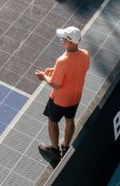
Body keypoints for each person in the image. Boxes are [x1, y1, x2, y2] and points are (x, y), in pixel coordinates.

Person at [33, 26, 90, 163]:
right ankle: (65, 147)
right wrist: (56, 70)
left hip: (59, 100)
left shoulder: (62, 60)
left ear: (69, 41)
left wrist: (43, 77)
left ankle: (54, 150)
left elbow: (56, 84)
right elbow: (78, 69)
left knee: (52, 122)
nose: (62, 40)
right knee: (70, 120)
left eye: (63, 38)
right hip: (75, 97)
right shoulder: (85, 54)